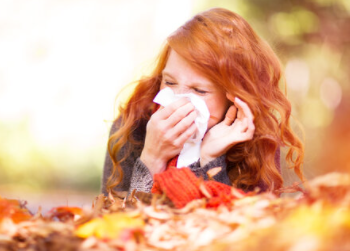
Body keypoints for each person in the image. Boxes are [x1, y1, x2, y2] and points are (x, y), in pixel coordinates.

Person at [101, 7, 304, 195]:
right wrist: (152, 159)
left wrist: (208, 161)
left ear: (235, 98)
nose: (178, 101)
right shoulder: (133, 124)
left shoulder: (258, 143)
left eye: (199, 90)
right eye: (170, 82)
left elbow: (238, 231)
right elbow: (117, 226)